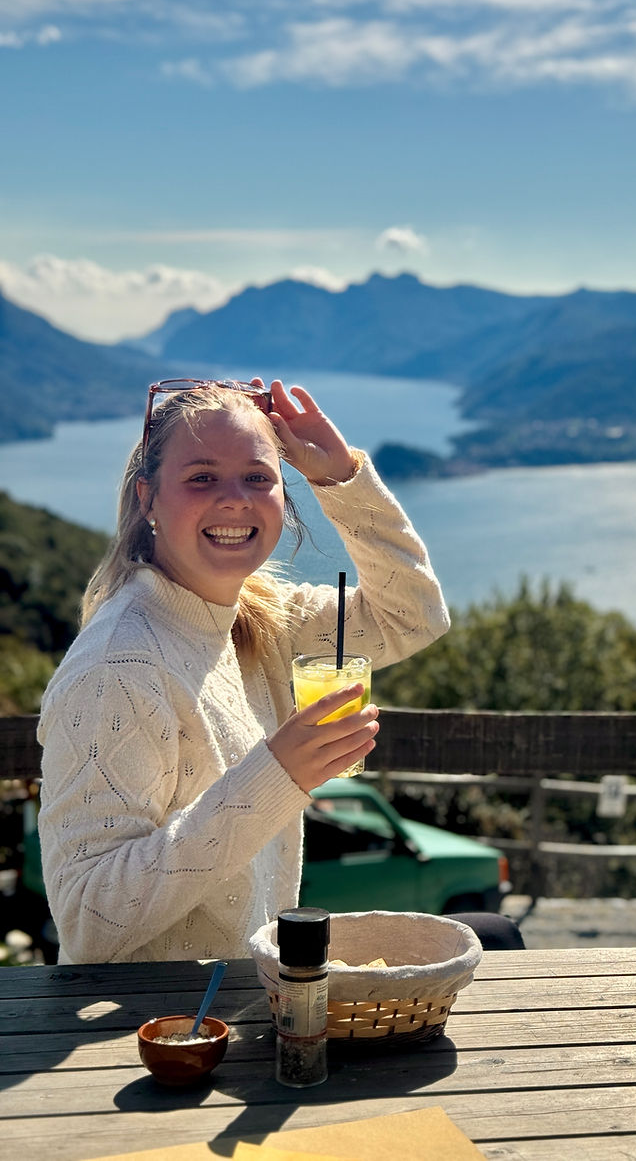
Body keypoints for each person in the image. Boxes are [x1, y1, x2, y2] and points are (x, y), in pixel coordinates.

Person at [37, 378, 451, 964]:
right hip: (164, 1034)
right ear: (147, 497)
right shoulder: (117, 666)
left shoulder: (260, 619)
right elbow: (89, 920)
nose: (235, 499)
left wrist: (340, 479)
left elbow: (413, 616)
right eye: (201, 477)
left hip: (245, 995)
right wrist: (278, 773)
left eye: (259, 477)